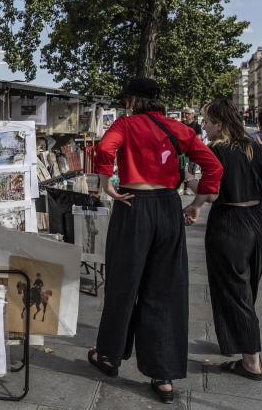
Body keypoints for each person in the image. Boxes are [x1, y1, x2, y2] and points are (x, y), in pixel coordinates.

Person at [90, 78, 222, 404]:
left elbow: (105, 149)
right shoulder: (180, 129)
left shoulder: (126, 123)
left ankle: (109, 355)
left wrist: (107, 185)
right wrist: (197, 204)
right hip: (168, 206)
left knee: (123, 283)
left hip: (133, 204)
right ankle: (162, 375)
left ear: (133, 100)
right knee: (166, 289)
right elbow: (212, 166)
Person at [183, 98, 262, 382]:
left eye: (208, 122)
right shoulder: (258, 150)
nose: (205, 127)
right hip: (258, 223)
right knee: (247, 288)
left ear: (220, 124)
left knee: (235, 292)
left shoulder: (216, 152)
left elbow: (211, 193)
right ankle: (239, 344)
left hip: (229, 223)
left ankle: (250, 360)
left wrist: (189, 183)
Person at [180, 108, 204, 194]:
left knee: (191, 170)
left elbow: (199, 139)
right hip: (182, 151)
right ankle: (182, 187)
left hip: (192, 151)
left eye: (188, 113)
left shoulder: (197, 126)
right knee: (182, 169)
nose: (186, 115)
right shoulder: (181, 124)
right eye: (185, 113)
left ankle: (190, 187)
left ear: (193, 115)